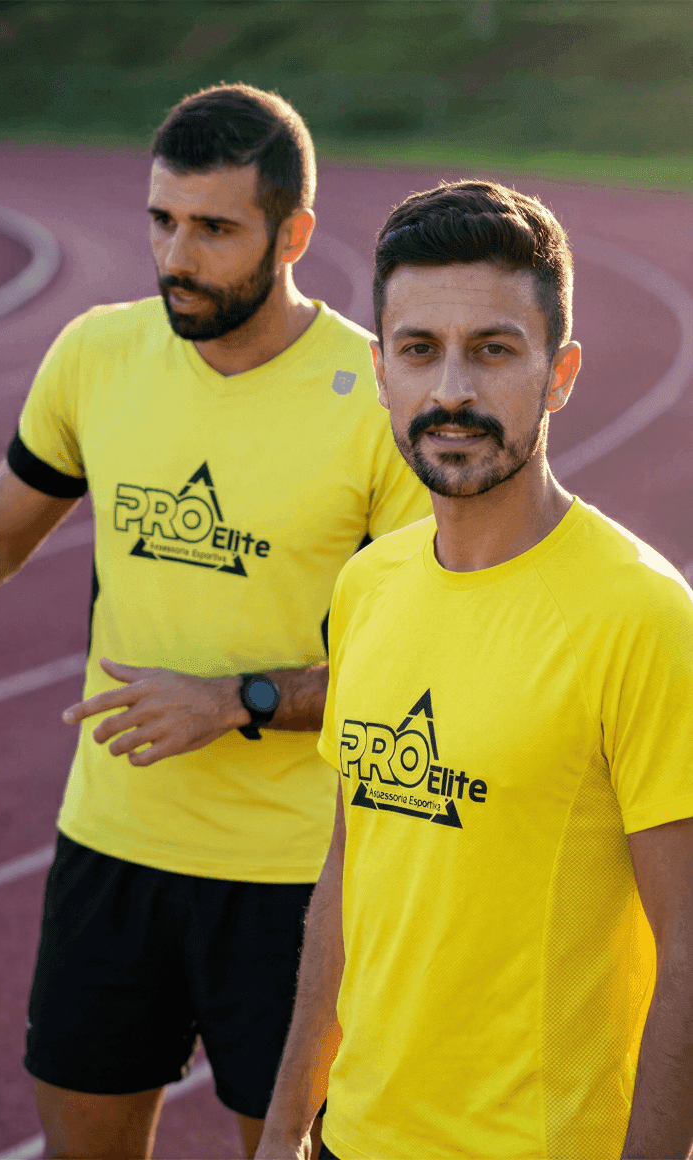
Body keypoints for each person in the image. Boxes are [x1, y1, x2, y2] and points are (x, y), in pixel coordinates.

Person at [0, 85, 431, 1159]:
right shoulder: (98, 351)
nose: (176, 254)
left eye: (214, 229)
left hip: (295, 876)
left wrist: (235, 699)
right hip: (112, 844)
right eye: (161, 220)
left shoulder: (375, 396)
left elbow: (412, 658)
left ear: (295, 234)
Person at [256, 180, 693, 1160]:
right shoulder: (368, 584)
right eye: (419, 350)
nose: (450, 389)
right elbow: (348, 872)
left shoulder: (642, 616)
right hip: (353, 1138)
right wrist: (288, 1118)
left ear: (560, 371)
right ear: (379, 370)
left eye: (492, 350)